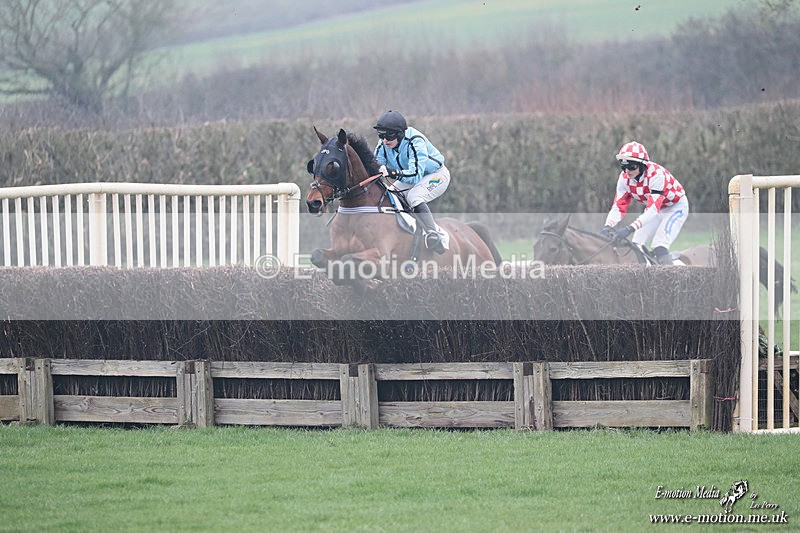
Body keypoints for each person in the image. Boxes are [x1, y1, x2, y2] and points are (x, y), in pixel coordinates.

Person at [373, 110, 450, 254]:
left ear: (400, 134)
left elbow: (415, 175)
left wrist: (392, 172)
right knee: (390, 195)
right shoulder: (383, 144)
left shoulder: (415, 141)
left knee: (414, 197)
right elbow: (375, 166)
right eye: (381, 135)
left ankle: (433, 234)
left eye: (388, 135)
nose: (384, 140)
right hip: (412, 176)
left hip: (436, 175)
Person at [599, 141, 689, 265]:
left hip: (675, 207)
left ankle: (672, 279)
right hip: (655, 209)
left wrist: (629, 228)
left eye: (631, 167)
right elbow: (618, 207)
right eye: (623, 167)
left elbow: (652, 210)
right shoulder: (624, 178)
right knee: (636, 246)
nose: (627, 171)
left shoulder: (656, 175)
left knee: (659, 246)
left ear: (642, 165)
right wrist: (608, 226)